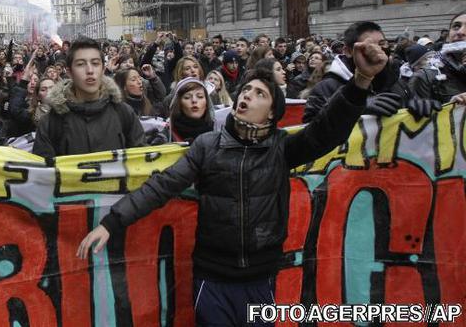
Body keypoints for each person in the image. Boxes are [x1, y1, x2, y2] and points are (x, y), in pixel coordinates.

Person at [78, 40, 387, 327]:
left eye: (260, 94)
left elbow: (327, 130)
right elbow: (162, 186)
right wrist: (111, 222)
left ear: (270, 116)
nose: (248, 96)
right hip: (212, 279)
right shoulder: (207, 146)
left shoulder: (282, 147)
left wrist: (361, 81)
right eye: (247, 90)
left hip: (260, 279)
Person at [33, 38, 145, 158]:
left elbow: (141, 162)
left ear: (103, 69)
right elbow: (43, 172)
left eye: (95, 63)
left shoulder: (123, 113)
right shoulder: (51, 123)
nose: (90, 70)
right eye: (81, 64)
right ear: (69, 72)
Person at [303, 21, 403, 123]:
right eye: (370, 46)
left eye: (382, 44)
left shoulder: (395, 80)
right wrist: (354, 107)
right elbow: (310, 130)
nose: (379, 51)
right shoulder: (326, 87)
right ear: (349, 51)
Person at [409, 11, 466, 108]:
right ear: (448, 37)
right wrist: (450, 108)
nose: (460, 32)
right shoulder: (424, 77)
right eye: (456, 26)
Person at [166, 77, 214, 143]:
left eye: (200, 96)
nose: (194, 100)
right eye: (187, 97)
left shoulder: (218, 132)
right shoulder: (167, 134)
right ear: (179, 104)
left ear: (207, 104)